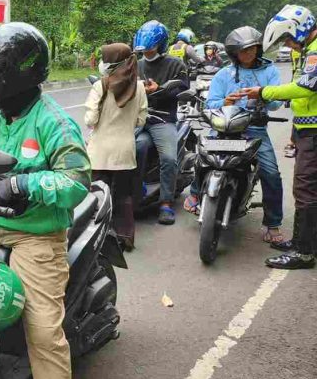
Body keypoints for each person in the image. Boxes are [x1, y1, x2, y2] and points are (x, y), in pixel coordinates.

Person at [0, 22, 91, 379]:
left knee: (43, 332)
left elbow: (77, 183)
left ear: (7, 74)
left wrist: (23, 182)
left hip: (37, 236)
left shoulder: (54, 122)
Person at [183, 26, 290, 249]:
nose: (249, 53)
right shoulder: (223, 74)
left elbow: (277, 102)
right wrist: (227, 102)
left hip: (254, 128)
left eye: (252, 48)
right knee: (201, 156)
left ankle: (273, 224)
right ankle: (195, 193)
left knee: (271, 172)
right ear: (234, 53)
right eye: (243, 50)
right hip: (223, 128)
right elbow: (211, 104)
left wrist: (261, 93)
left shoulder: (269, 71)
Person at [242, 5, 317, 269]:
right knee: (307, 188)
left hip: (315, 133)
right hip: (307, 130)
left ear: (299, 30)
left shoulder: (316, 51)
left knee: (305, 190)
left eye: (287, 38)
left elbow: (305, 90)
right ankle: (303, 241)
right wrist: (296, 133)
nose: (288, 44)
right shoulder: (308, 50)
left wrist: (264, 92)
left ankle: (304, 252)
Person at [84, 43, 147, 251]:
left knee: (97, 196)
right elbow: (140, 120)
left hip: (99, 153)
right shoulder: (139, 86)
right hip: (125, 152)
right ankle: (125, 237)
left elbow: (90, 119)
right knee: (123, 197)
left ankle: (97, 238)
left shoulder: (100, 85)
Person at [133, 20, 190, 225]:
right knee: (134, 149)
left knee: (168, 158)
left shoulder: (176, 64)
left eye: (151, 47)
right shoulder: (136, 65)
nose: (147, 52)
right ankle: (135, 192)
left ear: (160, 44)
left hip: (163, 119)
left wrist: (159, 89)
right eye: (144, 48)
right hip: (139, 119)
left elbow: (183, 89)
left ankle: (166, 202)